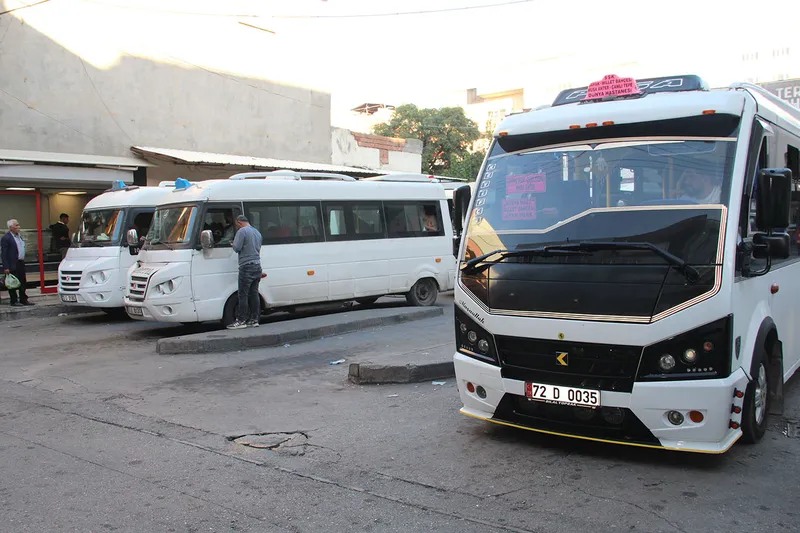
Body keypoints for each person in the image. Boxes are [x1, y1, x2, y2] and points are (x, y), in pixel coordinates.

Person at [228, 215, 262, 329]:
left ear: (239, 222)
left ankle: (241, 320)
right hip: (257, 265)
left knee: (243, 295)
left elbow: (237, 247)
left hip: (246, 266)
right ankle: (255, 319)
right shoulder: (257, 232)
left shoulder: (242, 231)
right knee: (254, 293)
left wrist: (233, 244)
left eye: (237, 225)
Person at [1, 219, 34, 307]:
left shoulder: (20, 236)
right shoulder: (6, 238)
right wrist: (6, 267)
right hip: (12, 263)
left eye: (18, 225)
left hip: (20, 262)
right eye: (16, 225)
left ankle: (23, 299)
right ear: (11, 227)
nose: (18, 227)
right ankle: (14, 300)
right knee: (13, 283)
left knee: (23, 281)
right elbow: (4, 254)